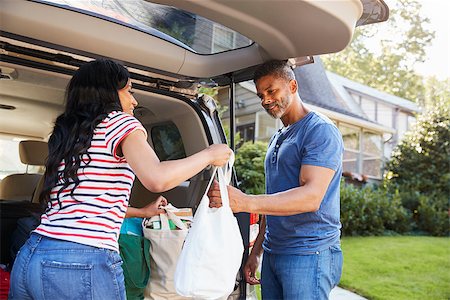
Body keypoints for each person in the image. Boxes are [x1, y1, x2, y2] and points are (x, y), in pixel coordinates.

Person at [8, 58, 232, 300]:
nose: (134, 100)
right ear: (108, 93)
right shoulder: (120, 122)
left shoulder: (68, 136)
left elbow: (85, 205)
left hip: (31, 255)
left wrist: (142, 212)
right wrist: (210, 154)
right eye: (128, 91)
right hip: (82, 260)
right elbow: (157, 179)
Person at [209, 60, 344, 299]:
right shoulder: (278, 137)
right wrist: (258, 250)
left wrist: (245, 202)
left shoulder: (319, 130)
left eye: (272, 91)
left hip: (309, 253)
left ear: (293, 86)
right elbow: (274, 199)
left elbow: (311, 197)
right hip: (274, 251)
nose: (265, 100)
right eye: (261, 95)